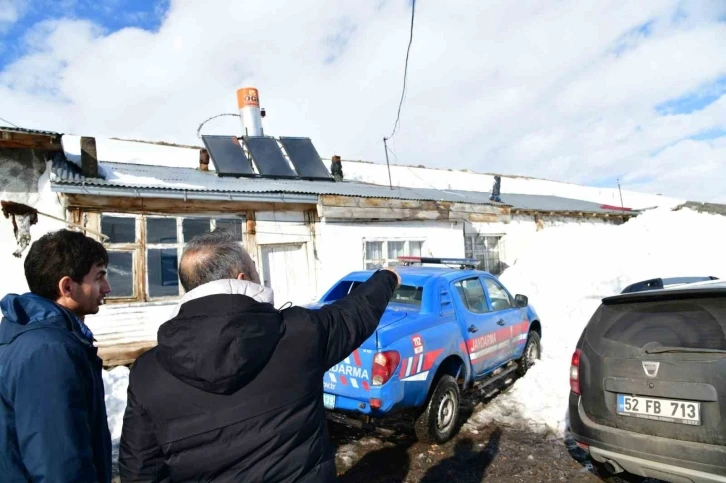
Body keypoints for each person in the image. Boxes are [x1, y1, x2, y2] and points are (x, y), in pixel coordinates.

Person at [119, 230, 400, 482]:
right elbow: (354, 314)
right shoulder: (298, 334)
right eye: (255, 269)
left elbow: (141, 470)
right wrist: (387, 278)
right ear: (242, 278)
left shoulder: (147, 372)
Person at [0, 229, 113, 482]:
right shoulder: (49, 351)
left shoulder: (32, 335)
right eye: (99, 277)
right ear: (67, 286)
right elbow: (60, 463)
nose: (107, 288)